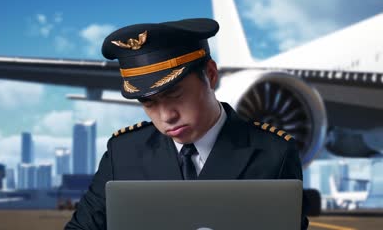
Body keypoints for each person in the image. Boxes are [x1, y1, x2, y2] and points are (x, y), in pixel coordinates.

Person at [65, 18, 309, 229]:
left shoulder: (274, 153)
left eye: (174, 95)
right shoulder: (123, 153)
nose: (166, 116)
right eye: (148, 103)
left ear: (211, 75)